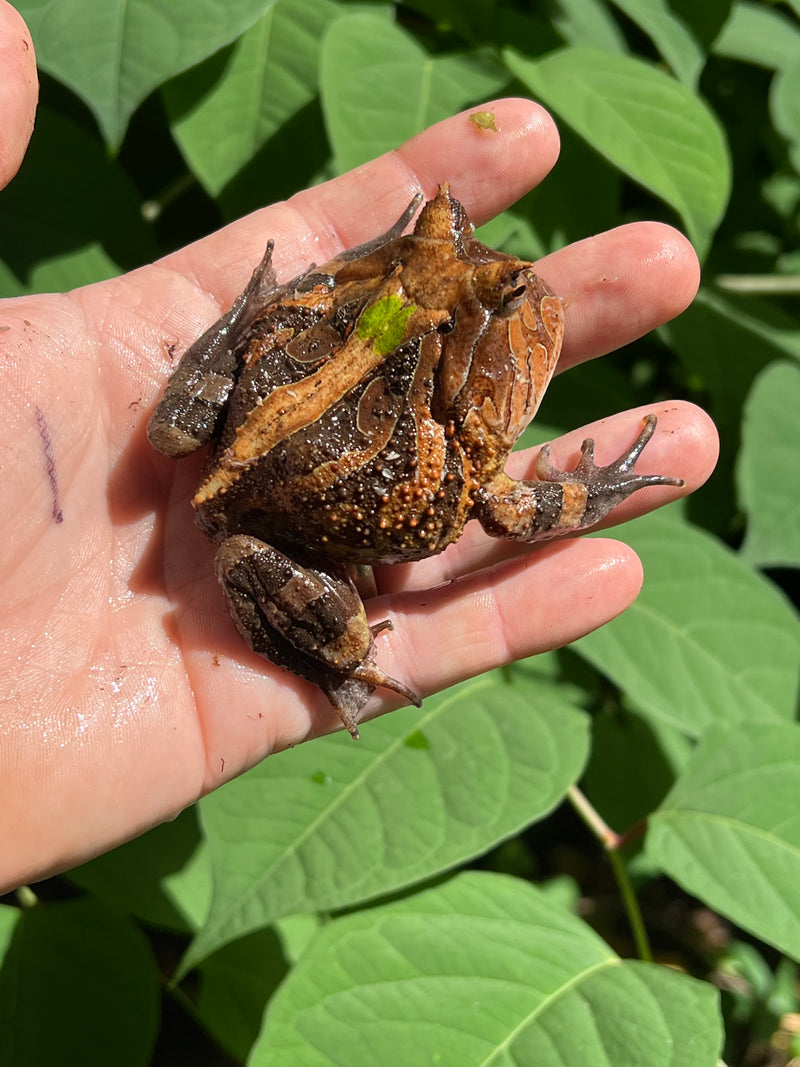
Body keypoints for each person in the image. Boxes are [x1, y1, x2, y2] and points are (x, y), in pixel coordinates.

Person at [0, 0, 717, 893]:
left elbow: (315, 306)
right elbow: (519, 507)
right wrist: (594, 490)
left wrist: (269, 309)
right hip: (270, 539)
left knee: (187, 416)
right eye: (446, 239)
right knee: (342, 632)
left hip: (227, 433)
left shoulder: (370, 303)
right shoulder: (448, 413)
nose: (480, 253)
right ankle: (336, 661)